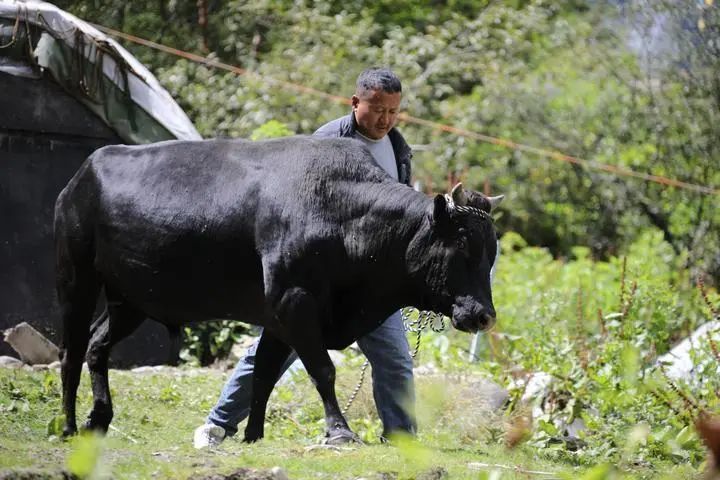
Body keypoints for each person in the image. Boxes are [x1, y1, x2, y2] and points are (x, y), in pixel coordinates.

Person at [193, 67, 416, 449]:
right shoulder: (324, 144)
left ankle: (402, 442)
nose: (386, 119)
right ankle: (216, 425)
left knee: (394, 358)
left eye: (394, 111)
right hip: (318, 278)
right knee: (274, 350)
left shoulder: (399, 148)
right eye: (378, 109)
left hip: (371, 282)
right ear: (355, 102)